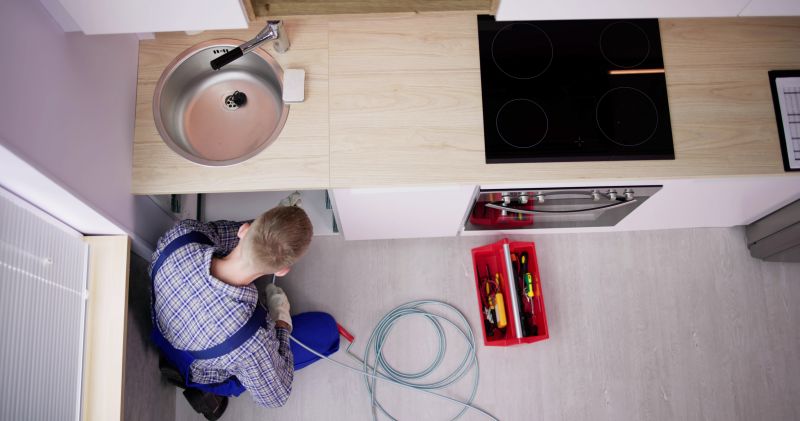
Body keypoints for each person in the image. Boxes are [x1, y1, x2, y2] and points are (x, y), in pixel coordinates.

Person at [149, 204, 340, 420]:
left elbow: (235, 235)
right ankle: (205, 390)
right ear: (282, 271)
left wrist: (272, 229)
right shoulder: (252, 343)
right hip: (201, 369)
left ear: (244, 229)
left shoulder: (183, 235)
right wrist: (281, 321)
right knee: (327, 332)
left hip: (166, 328)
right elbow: (275, 397)